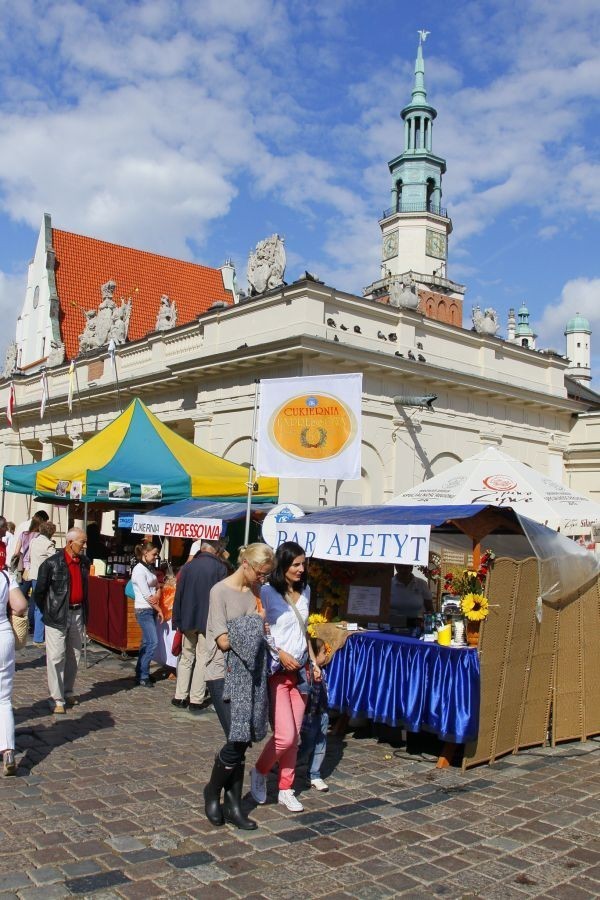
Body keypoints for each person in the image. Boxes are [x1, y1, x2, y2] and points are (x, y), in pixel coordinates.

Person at [203, 543, 275, 830]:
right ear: (245, 564)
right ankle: (212, 790)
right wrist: (254, 626)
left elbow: (259, 632)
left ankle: (232, 805)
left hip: (249, 673)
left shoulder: (254, 594)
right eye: (260, 573)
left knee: (244, 739)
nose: (262, 579)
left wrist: (256, 626)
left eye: (266, 575)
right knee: (237, 737)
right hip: (222, 672)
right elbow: (223, 641)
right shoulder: (219, 591)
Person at [250, 541, 320, 813]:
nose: (302, 569)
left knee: (295, 736)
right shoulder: (267, 593)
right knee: (285, 736)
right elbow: (262, 630)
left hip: (301, 670)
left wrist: (314, 662)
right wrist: (279, 652)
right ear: (283, 566)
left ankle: (286, 788)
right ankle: (259, 770)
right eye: (296, 565)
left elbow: (304, 632)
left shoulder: (307, 591)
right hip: (279, 670)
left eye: (304, 564)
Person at [33, 527, 90, 715]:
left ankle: (68, 690)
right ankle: (57, 698)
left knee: (74, 655)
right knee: (56, 656)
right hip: (57, 615)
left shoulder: (83, 563)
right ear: (70, 542)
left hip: (77, 612)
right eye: (82, 542)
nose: (84, 545)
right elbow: (39, 592)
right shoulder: (51, 564)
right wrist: (49, 611)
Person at [171, 539, 228, 711]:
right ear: (215, 551)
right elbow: (222, 598)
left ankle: (180, 696)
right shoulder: (220, 568)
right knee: (202, 658)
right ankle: (196, 700)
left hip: (188, 619)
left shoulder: (188, 567)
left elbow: (178, 595)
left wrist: (177, 619)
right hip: (207, 620)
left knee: (186, 658)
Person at [0, 569, 27, 774]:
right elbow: (20, 606)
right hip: (3, 636)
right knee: (4, 699)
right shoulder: (6, 575)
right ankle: (8, 750)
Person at [298, 637, 330, 792]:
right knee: (306, 746)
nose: (327, 655)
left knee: (321, 744)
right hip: (310, 716)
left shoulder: (323, 671)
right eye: (324, 652)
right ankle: (283, 765)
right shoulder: (309, 674)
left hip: (323, 714)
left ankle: (314, 774)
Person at [131, 541, 163, 687]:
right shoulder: (138, 570)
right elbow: (146, 595)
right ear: (145, 553)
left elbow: (157, 585)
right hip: (143, 609)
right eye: (154, 554)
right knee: (152, 641)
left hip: (150, 608)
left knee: (146, 642)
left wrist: (158, 593)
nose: (156, 556)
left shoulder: (149, 568)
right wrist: (159, 608)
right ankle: (143, 675)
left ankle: (140, 671)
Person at [28, 521, 57, 646]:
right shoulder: (48, 544)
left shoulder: (33, 541)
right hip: (44, 577)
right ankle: (39, 637)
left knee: (36, 605)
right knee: (43, 606)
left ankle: (37, 634)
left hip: (34, 575)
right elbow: (55, 561)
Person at [389, 563, 434, 628]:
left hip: (417, 625)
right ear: (396, 567)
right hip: (394, 625)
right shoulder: (389, 583)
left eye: (407, 567)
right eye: (400, 567)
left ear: (411, 567)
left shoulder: (422, 584)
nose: (403, 570)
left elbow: (429, 608)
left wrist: (429, 626)